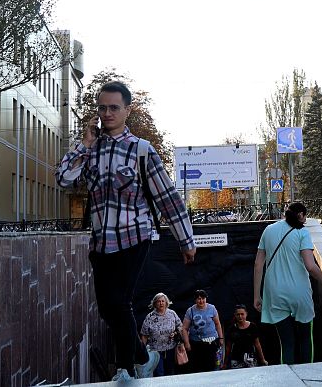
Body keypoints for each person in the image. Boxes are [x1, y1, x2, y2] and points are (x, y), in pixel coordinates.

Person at [56, 81, 196, 383]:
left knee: (119, 303)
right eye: (102, 108)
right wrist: (84, 144)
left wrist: (186, 240)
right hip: (101, 243)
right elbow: (64, 179)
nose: (107, 113)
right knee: (107, 309)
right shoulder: (91, 150)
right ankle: (144, 358)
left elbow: (167, 197)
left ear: (127, 110)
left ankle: (126, 369)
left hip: (134, 238)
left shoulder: (141, 150)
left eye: (114, 108)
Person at [253, 201, 322, 365]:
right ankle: (308, 373)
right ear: (300, 215)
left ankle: (288, 377)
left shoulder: (268, 230)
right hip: (299, 291)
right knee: (306, 338)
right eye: (305, 217)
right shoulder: (302, 232)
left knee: (286, 342)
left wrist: (256, 295)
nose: (305, 220)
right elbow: (310, 266)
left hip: (274, 292)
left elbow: (258, 265)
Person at [139, 293, 182, 377]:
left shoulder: (172, 313)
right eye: (158, 301)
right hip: (155, 351)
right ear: (155, 303)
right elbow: (144, 335)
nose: (161, 303)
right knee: (159, 373)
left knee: (170, 373)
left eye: (163, 301)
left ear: (166, 303)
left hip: (170, 349)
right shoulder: (150, 317)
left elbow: (180, 326)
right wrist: (142, 350)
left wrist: (175, 333)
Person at [181, 289, 223, 373]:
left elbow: (217, 324)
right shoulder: (190, 311)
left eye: (203, 298)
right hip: (196, 343)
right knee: (198, 367)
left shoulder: (212, 308)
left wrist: (221, 338)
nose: (201, 301)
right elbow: (184, 328)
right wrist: (187, 343)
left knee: (211, 366)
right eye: (198, 299)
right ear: (195, 300)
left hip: (211, 342)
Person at [224, 304, 268, 369]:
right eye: (238, 314)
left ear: (246, 314)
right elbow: (228, 347)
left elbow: (257, 345)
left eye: (242, 314)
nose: (240, 316)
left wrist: (262, 359)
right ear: (235, 315)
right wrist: (225, 363)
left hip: (250, 359)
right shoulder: (232, 329)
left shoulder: (252, 327)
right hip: (236, 359)